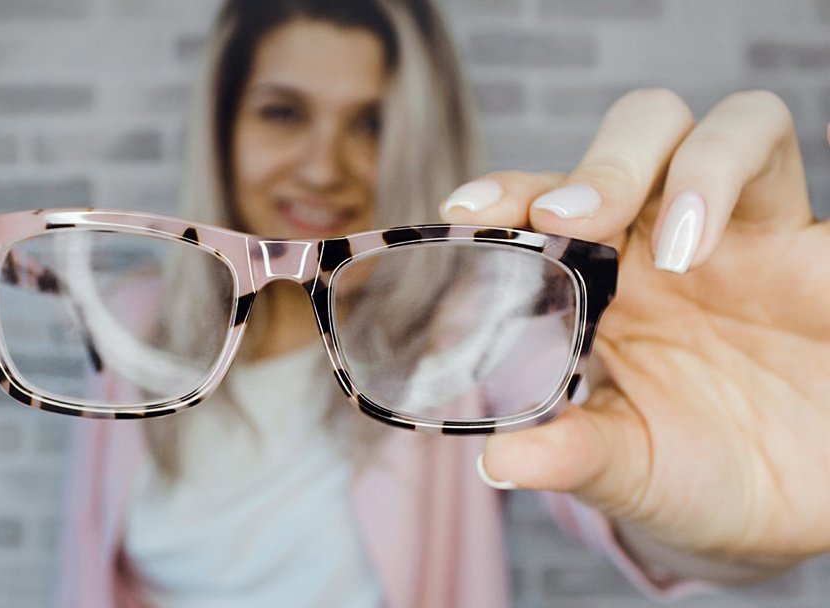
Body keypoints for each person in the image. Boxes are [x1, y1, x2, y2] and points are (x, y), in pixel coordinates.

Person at [43, 0, 830, 606]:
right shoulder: (134, 319)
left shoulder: (471, 323)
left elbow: (631, 486)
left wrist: (754, 494)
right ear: (222, 128)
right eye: (283, 112)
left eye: (374, 123)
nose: (323, 168)